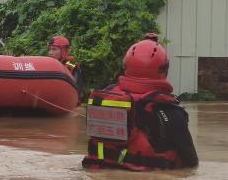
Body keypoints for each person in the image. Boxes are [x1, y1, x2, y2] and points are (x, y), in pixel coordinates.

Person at [82, 33, 198, 171]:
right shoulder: (172, 114)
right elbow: (191, 163)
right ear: (164, 70)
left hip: (100, 178)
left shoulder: (107, 96)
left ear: (125, 66)